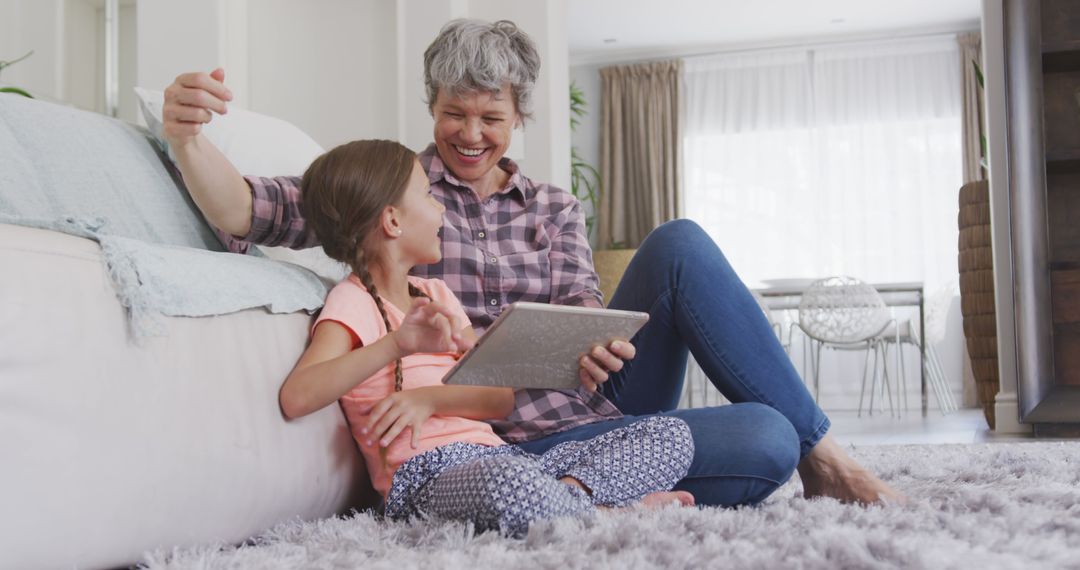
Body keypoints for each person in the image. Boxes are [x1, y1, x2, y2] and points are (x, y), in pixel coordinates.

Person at [162, 19, 902, 506]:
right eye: (455, 113)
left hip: (594, 408)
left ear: (519, 116)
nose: (471, 134)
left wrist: (596, 340)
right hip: (490, 447)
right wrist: (189, 138)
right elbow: (248, 209)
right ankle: (599, 493)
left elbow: (582, 298)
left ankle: (823, 454)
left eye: (491, 117)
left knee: (680, 245)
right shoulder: (392, 196)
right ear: (432, 107)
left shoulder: (552, 206)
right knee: (759, 437)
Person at [278, 138, 696, 536]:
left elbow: (499, 399)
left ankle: (569, 504)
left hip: (502, 457)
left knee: (669, 436)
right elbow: (298, 396)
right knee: (504, 483)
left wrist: (430, 398)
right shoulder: (353, 302)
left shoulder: (436, 296)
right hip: (426, 479)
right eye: (426, 195)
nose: (439, 207)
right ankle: (605, 513)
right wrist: (395, 345)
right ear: (392, 220)